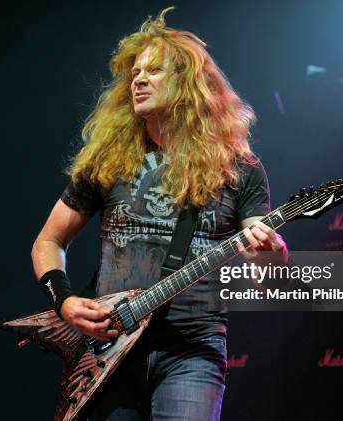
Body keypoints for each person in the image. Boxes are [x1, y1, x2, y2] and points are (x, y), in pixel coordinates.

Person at [31, 8, 288, 421]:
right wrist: (64, 302)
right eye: (135, 73)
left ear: (188, 85)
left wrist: (271, 254)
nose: (139, 79)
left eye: (154, 71)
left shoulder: (238, 168)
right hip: (109, 350)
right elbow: (48, 241)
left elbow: (264, 277)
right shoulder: (111, 161)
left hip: (193, 351)